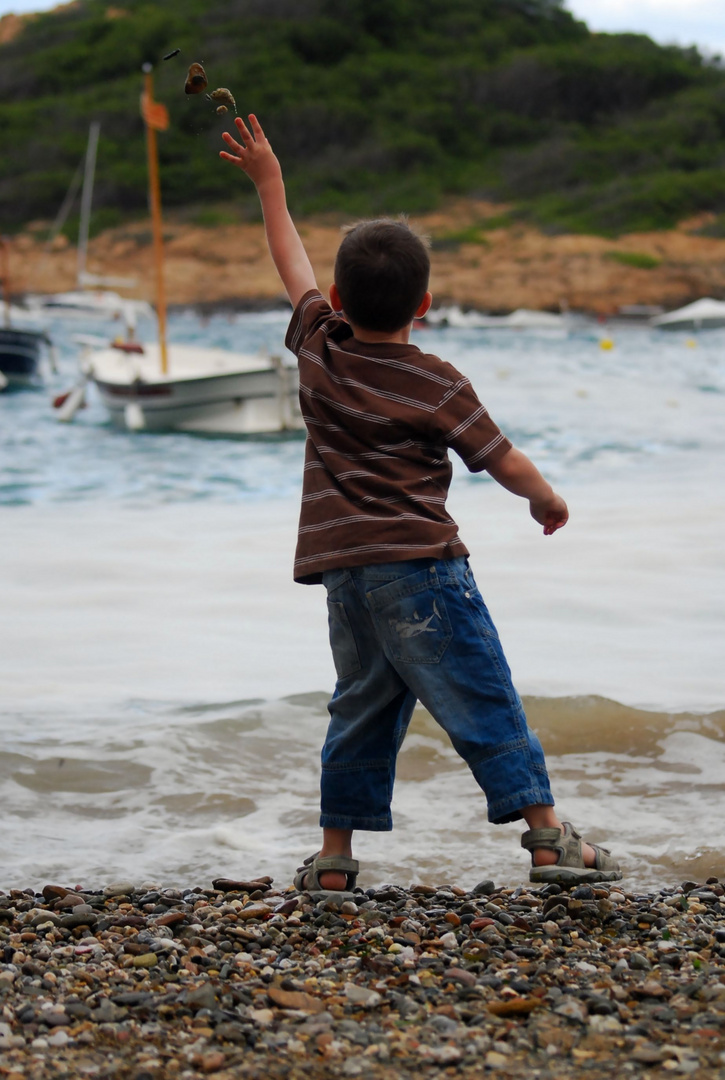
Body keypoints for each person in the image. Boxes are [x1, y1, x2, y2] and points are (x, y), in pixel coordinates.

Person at [220, 115, 622, 892]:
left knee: (359, 710)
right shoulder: (436, 381)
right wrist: (545, 499)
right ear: (426, 302)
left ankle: (335, 860)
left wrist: (269, 181)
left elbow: (288, 261)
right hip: (423, 573)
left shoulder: (317, 347)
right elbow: (498, 456)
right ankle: (548, 843)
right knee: (481, 696)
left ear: (337, 298)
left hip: (346, 580)